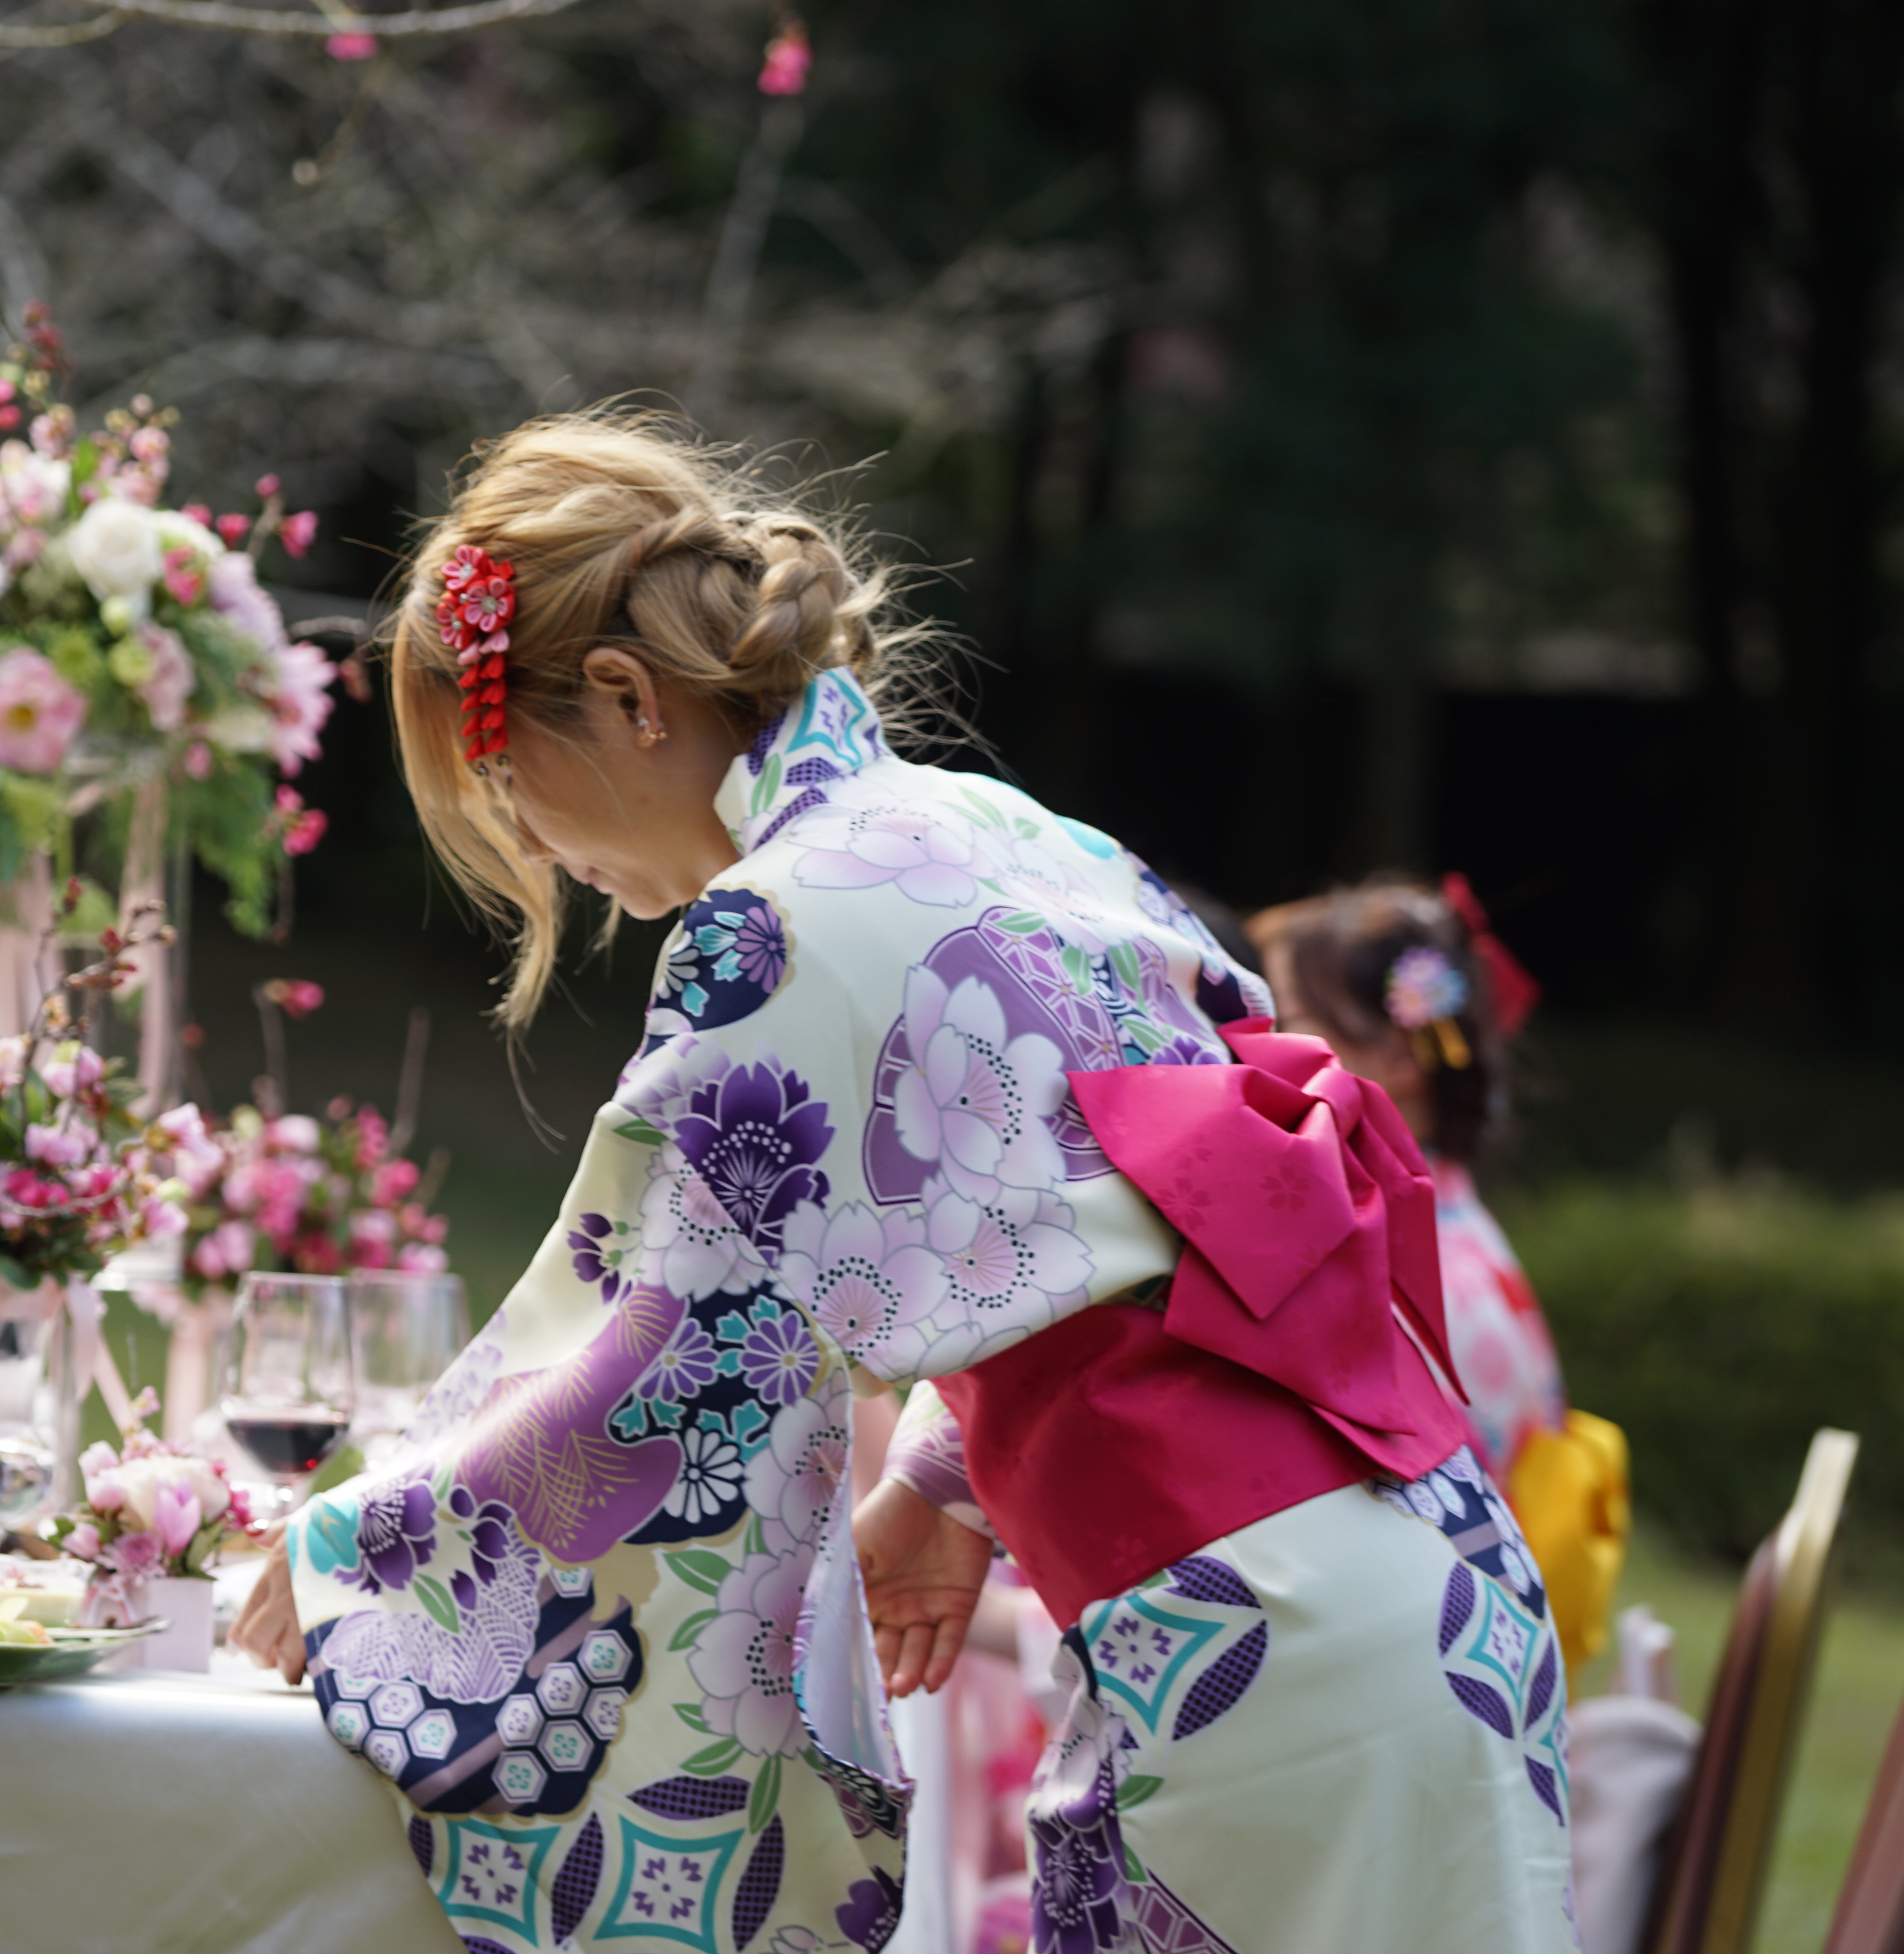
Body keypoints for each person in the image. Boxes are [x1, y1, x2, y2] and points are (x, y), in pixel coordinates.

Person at [233, 414, 1578, 1953]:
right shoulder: (1009, 828)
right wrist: (948, 1480)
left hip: (1259, 1636)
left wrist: (375, 1548)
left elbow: (664, 1358)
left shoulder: (774, 925)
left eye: (511, 784)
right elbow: (1131, 1206)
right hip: (1426, 1585)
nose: (530, 843)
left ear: (624, 700)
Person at [1248, 875, 1630, 1667]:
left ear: (1396, 1053)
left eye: (1288, 1022)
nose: (1250, 1053)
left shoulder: (1394, 1270)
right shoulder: (1447, 1238)